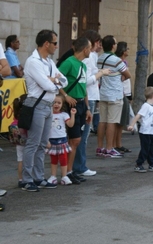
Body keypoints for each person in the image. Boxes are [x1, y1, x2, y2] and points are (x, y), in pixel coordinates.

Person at [21, 29, 68, 192]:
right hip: (37, 104)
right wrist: (54, 80)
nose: (56, 46)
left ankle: (39, 177)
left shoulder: (48, 62)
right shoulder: (33, 61)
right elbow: (47, 85)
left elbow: (64, 80)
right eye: (55, 43)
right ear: (46, 44)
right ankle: (27, 179)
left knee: (42, 144)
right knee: (33, 143)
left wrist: (53, 79)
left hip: (47, 105)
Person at [73, 30, 110, 177]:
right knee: (83, 134)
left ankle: (79, 165)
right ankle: (79, 166)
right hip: (88, 96)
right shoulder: (87, 59)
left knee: (84, 135)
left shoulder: (92, 57)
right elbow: (86, 80)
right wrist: (100, 74)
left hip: (91, 96)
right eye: (98, 42)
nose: (100, 45)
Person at [58, 36, 92, 184]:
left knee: (76, 140)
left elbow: (84, 88)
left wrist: (88, 108)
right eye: (90, 48)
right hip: (71, 104)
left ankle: (70, 171)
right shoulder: (69, 62)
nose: (90, 51)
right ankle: (68, 172)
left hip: (81, 105)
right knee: (75, 139)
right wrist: (65, 96)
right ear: (85, 49)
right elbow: (56, 79)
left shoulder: (83, 66)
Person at [96, 35, 131, 158]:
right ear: (112, 46)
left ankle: (100, 147)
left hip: (103, 92)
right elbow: (128, 74)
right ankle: (109, 148)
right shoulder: (117, 60)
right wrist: (122, 77)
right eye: (115, 43)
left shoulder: (99, 58)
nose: (116, 45)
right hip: (115, 94)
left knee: (102, 121)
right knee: (112, 121)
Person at [128, 87, 153, 173]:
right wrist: (132, 125)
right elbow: (138, 115)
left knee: (151, 148)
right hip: (145, 131)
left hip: (151, 131)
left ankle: (152, 164)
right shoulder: (145, 106)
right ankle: (139, 164)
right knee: (145, 148)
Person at [47, 95, 76, 185]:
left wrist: (72, 114)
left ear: (62, 104)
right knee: (53, 159)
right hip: (51, 140)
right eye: (54, 102)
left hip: (62, 140)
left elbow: (70, 124)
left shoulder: (64, 115)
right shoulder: (48, 114)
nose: (56, 104)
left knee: (63, 158)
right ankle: (53, 176)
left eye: (59, 103)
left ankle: (64, 176)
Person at [114, 41, 133, 154]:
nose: (128, 51)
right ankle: (117, 144)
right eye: (127, 48)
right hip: (121, 93)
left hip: (125, 93)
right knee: (119, 121)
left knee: (122, 121)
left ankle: (118, 143)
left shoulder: (124, 62)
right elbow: (123, 78)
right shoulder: (120, 62)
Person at [9, 94, 28, 187]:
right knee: (29, 160)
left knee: (20, 160)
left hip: (19, 142)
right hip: (27, 139)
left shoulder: (17, 114)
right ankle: (28, 178)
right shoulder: (25, 114)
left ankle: (20, 180)